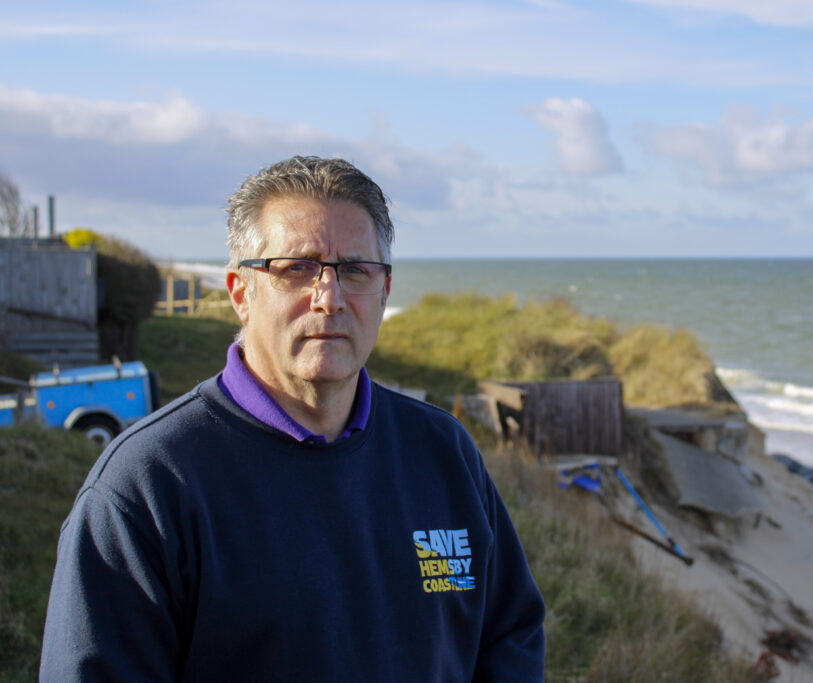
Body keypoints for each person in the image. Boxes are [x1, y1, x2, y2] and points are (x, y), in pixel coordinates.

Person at [39, 156, 546, 681]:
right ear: (242, 293)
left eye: (354, 269)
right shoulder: (146, 484)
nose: (329, 299)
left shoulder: (443, 450)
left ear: (385, 290)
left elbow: (511, 634)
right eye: (296, 268)